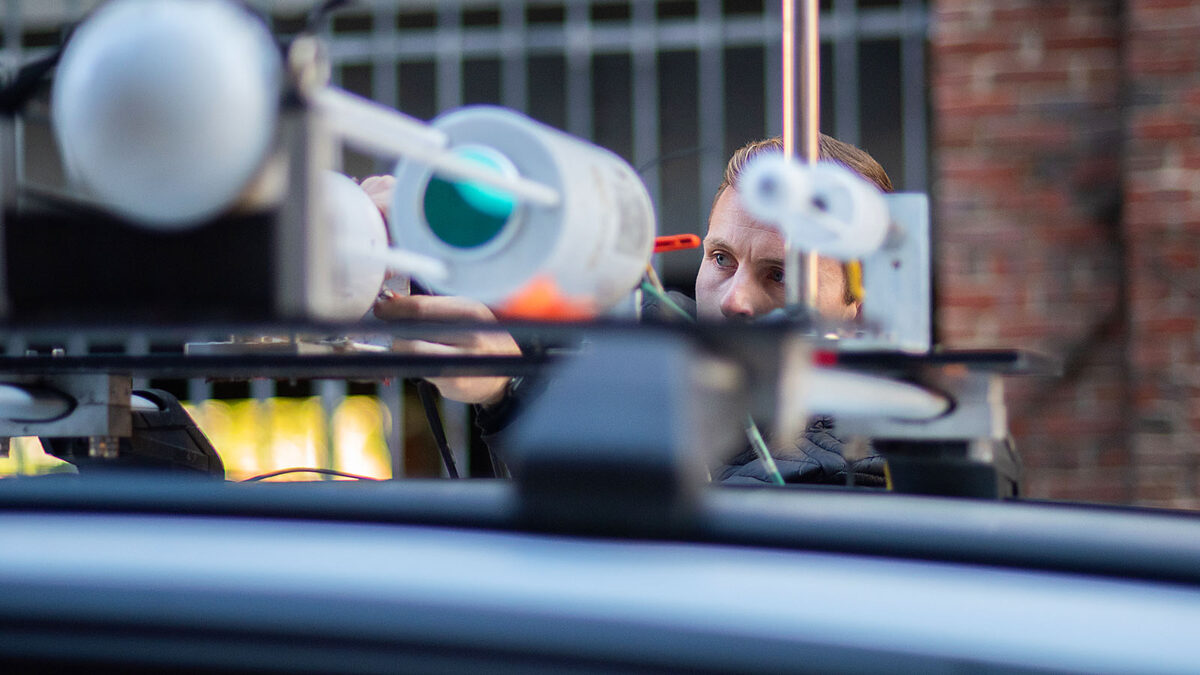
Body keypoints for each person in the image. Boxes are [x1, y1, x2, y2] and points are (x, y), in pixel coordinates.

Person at [365, 134, 893, 485]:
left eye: (778, 275)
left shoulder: (859, 471)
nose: (735, 300)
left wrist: (508, 389)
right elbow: (561, 322)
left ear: (858, 310)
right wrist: (420, 239)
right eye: (721, 259)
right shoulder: (668, 341)